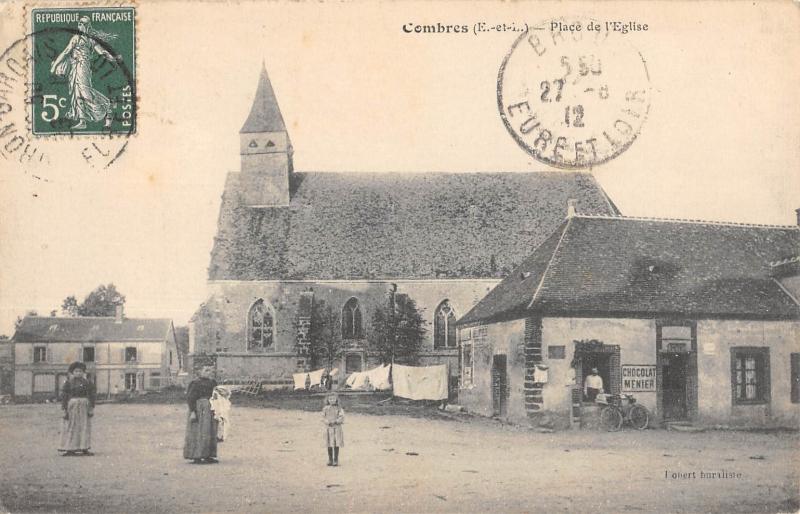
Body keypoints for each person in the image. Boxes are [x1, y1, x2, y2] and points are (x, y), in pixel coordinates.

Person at [49, 16, 123, 129]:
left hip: (83, 67)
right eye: (79, 23)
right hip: (75, 67)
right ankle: (82, 121)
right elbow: (65, 52)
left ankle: (108, 106)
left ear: (87, 26)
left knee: (85, 92)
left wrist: (113, 58)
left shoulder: (90, 39)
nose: (80, 25)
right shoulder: (75, 38)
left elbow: (101, 51)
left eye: (82, 24)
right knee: (77, 92)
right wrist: (55, 66)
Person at [59, 361, 96, 456]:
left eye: (80, 371)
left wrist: (91, 407)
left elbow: (92, 395)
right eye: (76, 371)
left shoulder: (87, 382)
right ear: (72, 372)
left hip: (84, 405)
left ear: (83, 372)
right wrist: (64, 408)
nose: (78, 373)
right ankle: (70, 448)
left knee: (84, 426)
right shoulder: (68, 383)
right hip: (72, 405)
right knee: (71, 425)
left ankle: (84, 447)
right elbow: (64, 395)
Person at [184, 365, 219, 464]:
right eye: (206, 370)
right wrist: (193, 412)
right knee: (199, 431)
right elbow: (190, 398)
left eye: (211, 371)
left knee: (210, 431)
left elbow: (217, 395)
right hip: (199, 409)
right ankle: (197, 456)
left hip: (211, 408)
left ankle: (208, 455)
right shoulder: (195, 383)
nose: (209, 372)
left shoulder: (213, 383)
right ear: (200, 372)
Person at [322, 393, 344, 466]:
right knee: (329, 444)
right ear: (327, 400)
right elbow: (323, 417)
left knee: (336, 443)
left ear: (336, 400)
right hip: (329, 428)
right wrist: (327, 422)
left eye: (333, 399)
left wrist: (336, 421)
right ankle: (330, 459)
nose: (332, 400)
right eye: (330, 399)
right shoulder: (325, 409)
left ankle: (336, 460)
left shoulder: (339, 409)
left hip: (336, 428)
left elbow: (341, 417)